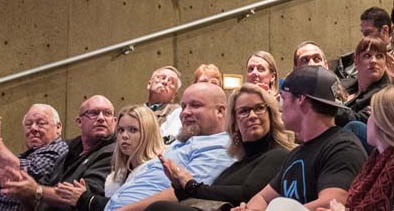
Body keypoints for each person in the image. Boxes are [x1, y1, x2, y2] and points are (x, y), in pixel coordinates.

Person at [143, 84, 296, 211]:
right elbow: (207, 197)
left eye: (259, 108)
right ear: (234, 123)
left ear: (270, 114)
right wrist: (180, 185)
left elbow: (247, 193)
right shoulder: (235, 166)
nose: (252, 115)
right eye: (244, 111)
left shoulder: (278, 155)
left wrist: (192, 185)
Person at [237, 66, 367, 211]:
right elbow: (261, 198)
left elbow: (331, 203)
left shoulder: (343, 148)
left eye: (284, 98)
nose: (280, 107)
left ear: (301, 99)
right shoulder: (296, 153)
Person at [102, 83, 235, 211]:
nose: (185, 112)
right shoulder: (182, 142)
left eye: (195, 105)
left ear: (220, 111)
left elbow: (187, 190)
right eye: (183, 107)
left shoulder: (219, 147)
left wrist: (125, 209)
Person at [0, 96, 117, 211]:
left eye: (107, 113)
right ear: (79, 122)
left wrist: (37, 190)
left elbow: (80, 199)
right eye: (94, 113)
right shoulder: (68, 153)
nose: (101, 118)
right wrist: (23, 195)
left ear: (115, 121)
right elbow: (37, 202)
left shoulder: (113, 153)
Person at [53, 104, 164, 211]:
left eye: (133, 130)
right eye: (121, 130)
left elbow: (128, 207)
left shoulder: (157, 169)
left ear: (149, 133)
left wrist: (87, 199)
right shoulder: (115, 176)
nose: (124, 136)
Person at [0, 104, 69, 211]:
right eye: (28, 124)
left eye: (41, 123)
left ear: (58, 127)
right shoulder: (22, 157)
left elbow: (20, 173)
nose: (33, 128)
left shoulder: (60, 149)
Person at [335, 36, 389, 125]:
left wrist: (328, 105)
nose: (373, 61)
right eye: (367, 56)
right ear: (356, 61)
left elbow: (358, 122)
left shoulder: (386, 96)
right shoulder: (344, 83)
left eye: (379, 56)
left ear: (385, 62)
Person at [335, 7, 391, 80]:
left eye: (368, 32)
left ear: (384, 30)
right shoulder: (347, 61)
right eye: (363, 32)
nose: (364, 38)